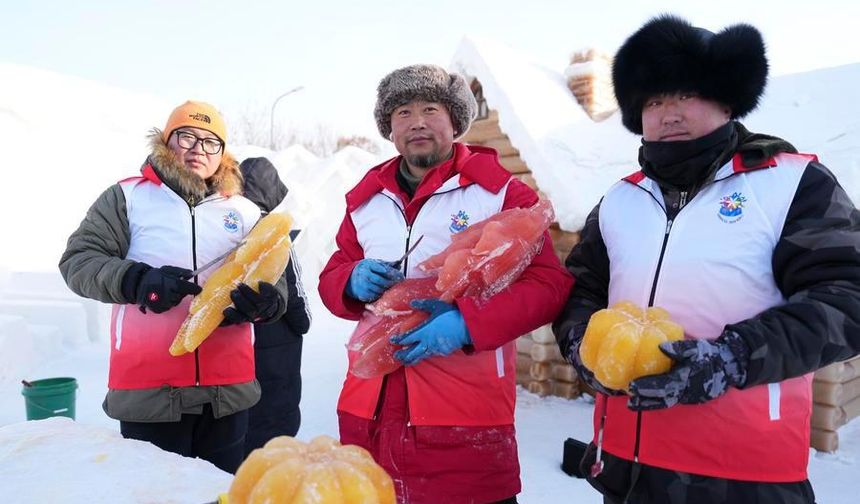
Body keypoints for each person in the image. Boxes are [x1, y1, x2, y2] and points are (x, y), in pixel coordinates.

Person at [553, 15, 860, 504]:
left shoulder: (793, 185)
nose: (668, 114)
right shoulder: (620, 201)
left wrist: (733, 358)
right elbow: (580, 290)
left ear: (725, 98)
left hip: (745, 476)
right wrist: (581, 345)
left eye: (685, 94)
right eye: (653, 101)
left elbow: (847, 298)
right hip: (625, 469)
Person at [318, 64, 573, 503]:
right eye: (402, 112)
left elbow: (549, 283)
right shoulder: (365, 201)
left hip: (462, 411)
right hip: (369, 407)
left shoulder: (500, 193)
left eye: (430, 108)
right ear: (389, 128)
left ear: (455, 121)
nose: (416, 121)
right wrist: (349, 280)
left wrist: (468, 324)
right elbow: (331, 275)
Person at [59, 101, 290, 473]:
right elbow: (78, 261)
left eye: (211, 141)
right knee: (155, 494)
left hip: (227, 392)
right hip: (149, 391)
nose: (199, 147)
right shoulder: (128, 198)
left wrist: (266, 304)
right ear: (167, 143)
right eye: (187, 136)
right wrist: (137, 281)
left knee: (219, 494)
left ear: (223, 154)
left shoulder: (245, 211)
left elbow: (275, 280)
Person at [238, 156, 311, 455]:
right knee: (272, 445)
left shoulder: (222, 232)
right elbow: (301, 314)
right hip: (277, 359)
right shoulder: (278, 237)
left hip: (235, 360)